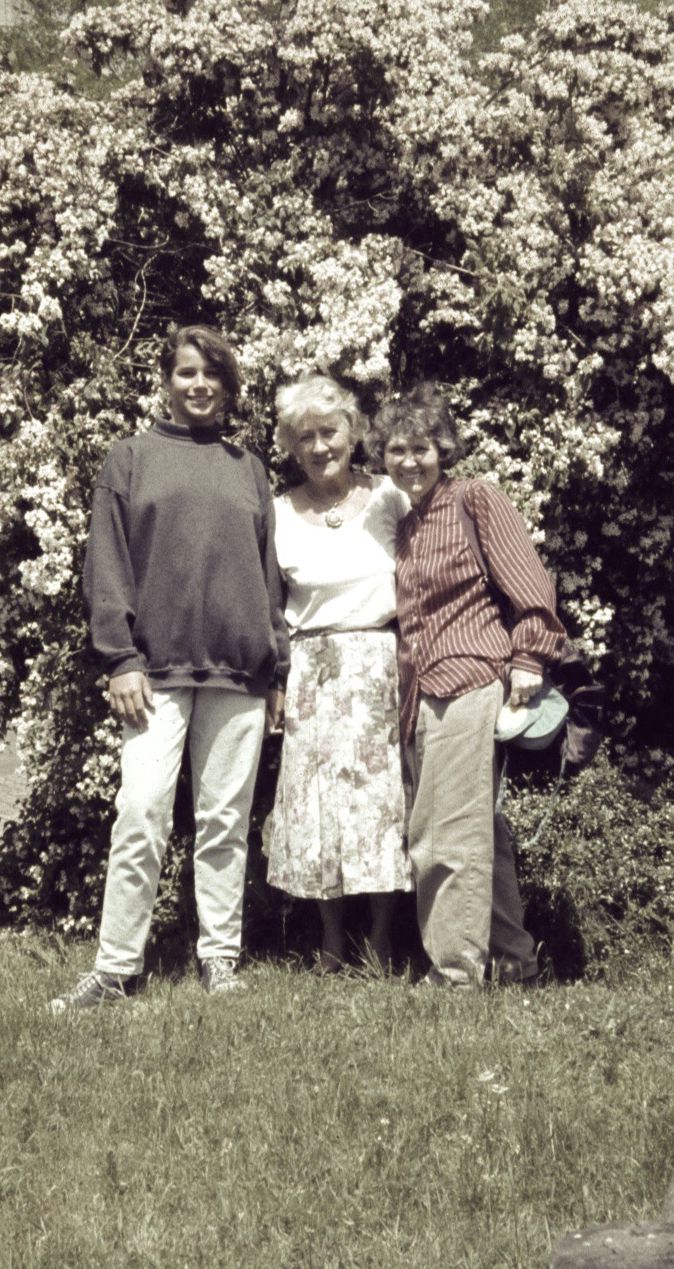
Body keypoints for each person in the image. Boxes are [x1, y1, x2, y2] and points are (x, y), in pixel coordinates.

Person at [52, 325, 288, 1012]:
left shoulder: (249, 467)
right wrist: (119, 657)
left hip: (239, 674)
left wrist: (275, 670)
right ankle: (116, 966)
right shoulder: (130, 459)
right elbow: (107, 564)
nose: (200, 385)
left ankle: (220, 958)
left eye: (212, 375)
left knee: (224, 820)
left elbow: (269, 576)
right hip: (152, 673)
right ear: (167, 380)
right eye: (187, 373)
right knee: (142, 811)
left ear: (228, 387)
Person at [367, 384, 566, 990]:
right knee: (482, 832)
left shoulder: (476, 499)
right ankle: (514, 960)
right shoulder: (408, 523)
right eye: (396, 450)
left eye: (420, 447)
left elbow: (529, 583)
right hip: (423, 695)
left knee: (443, 832)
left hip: (473, 681)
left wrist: (529, 656)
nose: (408, 461)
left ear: (443, 448)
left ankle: (454, 973)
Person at [267, 374, 412, 972]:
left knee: (378, 804)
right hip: (311, 672)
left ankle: (379, 940)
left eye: (330, 432)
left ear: (353, 433)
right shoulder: (277, 513)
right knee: (319, 805)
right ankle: (330, 941)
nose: (321, 447)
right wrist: (276, 680)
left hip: (380, 665)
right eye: (307, 437)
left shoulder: (390, 498)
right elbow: (271, 607)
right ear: (291, 446)